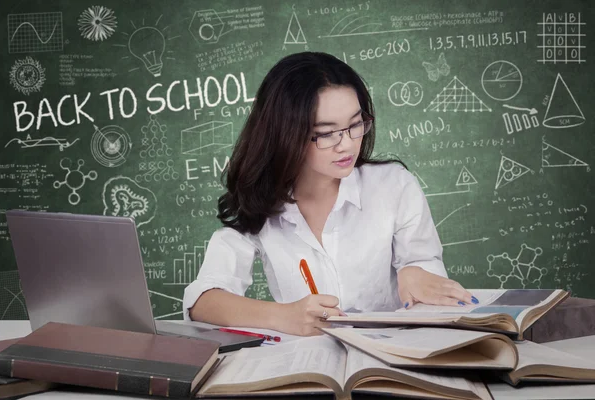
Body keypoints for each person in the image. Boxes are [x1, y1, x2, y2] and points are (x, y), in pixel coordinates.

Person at [183, 51, 477, 336]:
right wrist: (284, 316)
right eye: (326, 133)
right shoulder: (259, 203)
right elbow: (203, 302)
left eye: (355, 125)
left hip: (391, 364)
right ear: (285, 133)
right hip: (307, 369)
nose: (347, 145)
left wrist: (415, 272)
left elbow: (430, 280)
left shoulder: (394, 185)